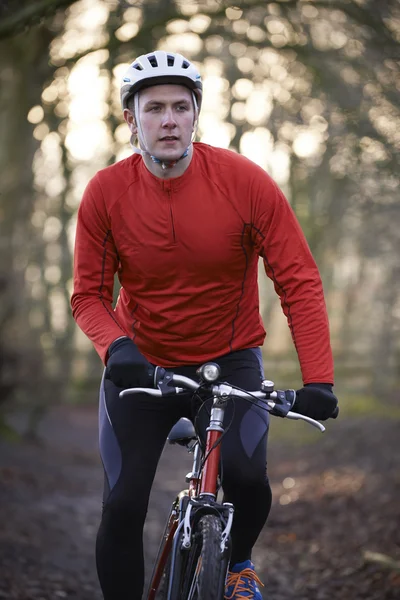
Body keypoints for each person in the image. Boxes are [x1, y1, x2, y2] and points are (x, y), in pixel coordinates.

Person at [71, 50, 338, 600]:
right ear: (131, 120)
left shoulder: (245, 183)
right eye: (153, 108)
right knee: (121, 506)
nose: (167, 119)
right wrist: (116, 345)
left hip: (230, 357)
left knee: (245, 476)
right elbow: (89, 297)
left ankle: (237, 565)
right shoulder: (105, 193)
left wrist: (320, 381)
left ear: (195, 115)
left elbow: (299, 281)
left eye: (179, 107)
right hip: (141, 364)